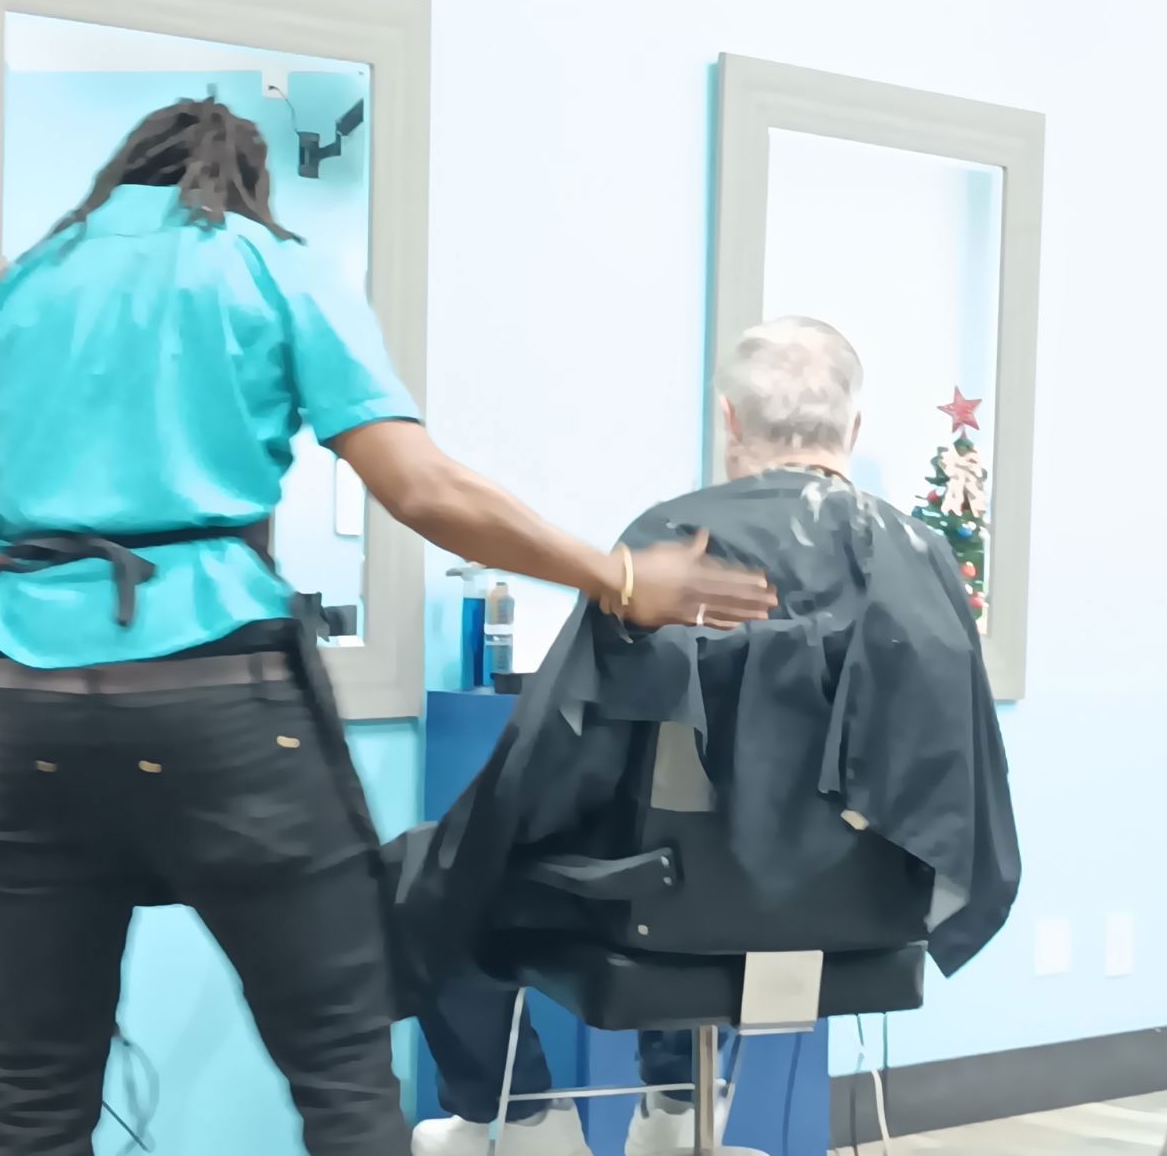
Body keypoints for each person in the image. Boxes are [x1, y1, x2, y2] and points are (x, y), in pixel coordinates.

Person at [0, 98, 774, 1156]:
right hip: (222, 709)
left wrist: (62, 601)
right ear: (242, 183)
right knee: (340, 1068)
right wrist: (618, 574)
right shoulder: (265, 264)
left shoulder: (14, 295)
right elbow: (421, 488)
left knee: (30, 1092)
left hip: (27, 722)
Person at [398, 317, 1021, 1156]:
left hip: (673, 905)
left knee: (436, 870)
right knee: (709, 861)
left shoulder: (674, 540)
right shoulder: (924, 553)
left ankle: (523, 1124)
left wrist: (485, 835)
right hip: (872, 907)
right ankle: (679, 1114)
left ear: (728, 420)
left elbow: (558, 759)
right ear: (855, 429)